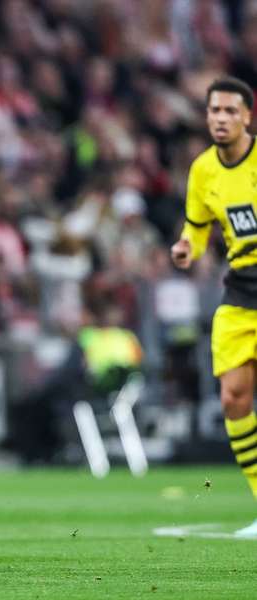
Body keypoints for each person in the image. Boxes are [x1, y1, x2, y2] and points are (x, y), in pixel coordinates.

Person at [171, 76, 257, 538]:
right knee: (233, 398)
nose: (220, 119)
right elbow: (197, 225)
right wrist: (188, 246)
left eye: (230, 111)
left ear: (247, 115)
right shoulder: (203, 169)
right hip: (242, 291)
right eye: (214, 111)